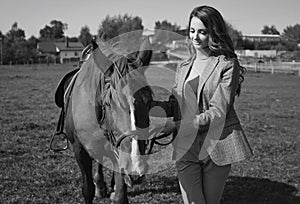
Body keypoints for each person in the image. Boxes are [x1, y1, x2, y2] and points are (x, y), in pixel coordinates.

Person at [150, 5, 253, 204]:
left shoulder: (227, 64)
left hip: (216, 146)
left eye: (202, 32)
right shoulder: (183, 67)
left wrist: (179, 125)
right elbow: (175, 104)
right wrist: (146, 106)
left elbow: (218, 111)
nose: (195, 37)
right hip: (185, 146)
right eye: (192, 31)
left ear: (214, 32)